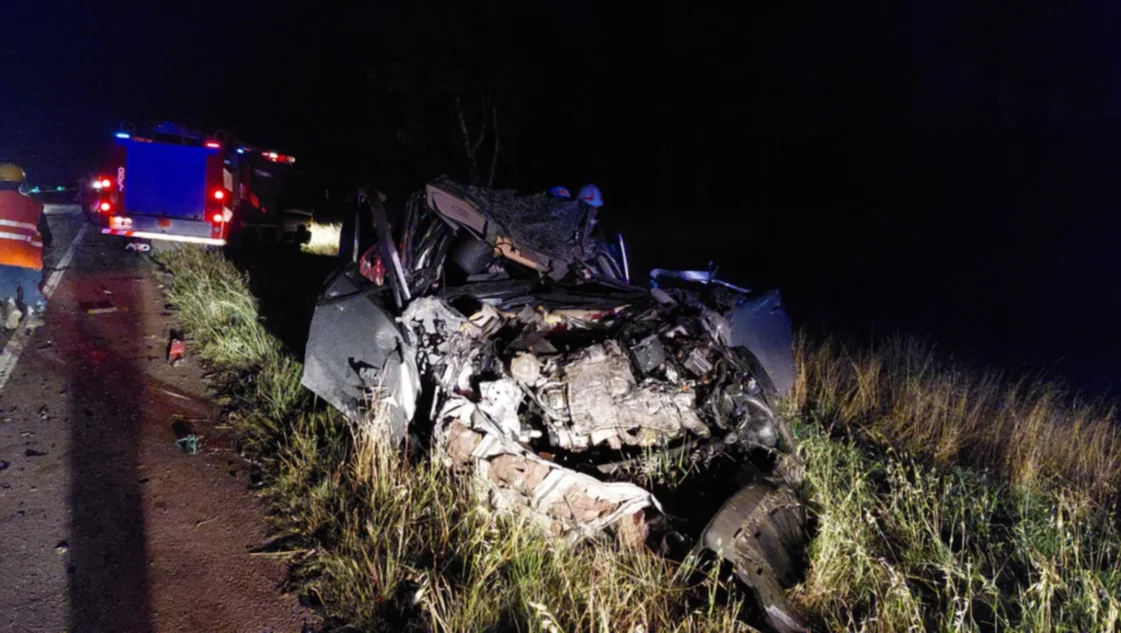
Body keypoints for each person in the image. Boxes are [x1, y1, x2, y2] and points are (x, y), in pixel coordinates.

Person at [0, 164, 52, 330]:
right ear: (20, 183)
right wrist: (48, 242)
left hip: (2, 254)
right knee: (30, 282)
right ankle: (32, 312)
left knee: (5, 279)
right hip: (28, 254)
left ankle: (9, 303)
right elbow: (45, 232)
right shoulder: (33, 205)